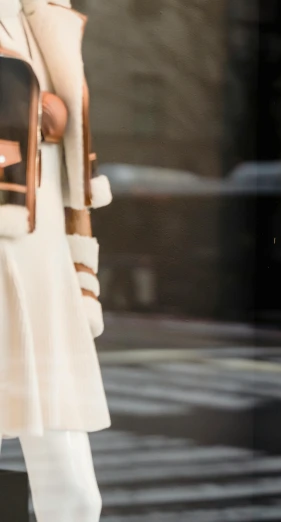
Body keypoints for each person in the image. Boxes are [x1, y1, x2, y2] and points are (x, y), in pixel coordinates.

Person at [0, 1, 112, 521]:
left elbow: (74, 177)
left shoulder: (43, 16)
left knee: (74, 497)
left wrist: (81, 273)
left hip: (43, 259)